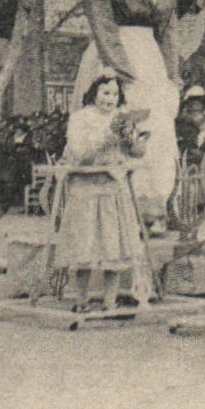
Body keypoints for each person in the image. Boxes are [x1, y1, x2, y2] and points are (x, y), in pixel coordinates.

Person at [74, 0, 180, 231]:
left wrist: (171, 74)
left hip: (151, 57)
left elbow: (167, 27)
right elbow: (103, 28)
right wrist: (123, 76)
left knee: (159, 130)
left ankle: (156, 207)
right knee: (118, 126)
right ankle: (120, 211)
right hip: (118, 56)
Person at [55, 73, 148, 312]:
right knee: (84, 245)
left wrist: (136, 141)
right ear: (94, 94)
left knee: (114, 246)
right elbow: (80, 151)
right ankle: (82, 299)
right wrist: (106, 136)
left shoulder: (121, 116)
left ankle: (110, 300)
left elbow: (133, 154)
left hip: (113, 189)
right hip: (86, 188)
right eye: (105, 92)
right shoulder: (81, 119)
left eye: (115, 94)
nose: (111, 98)